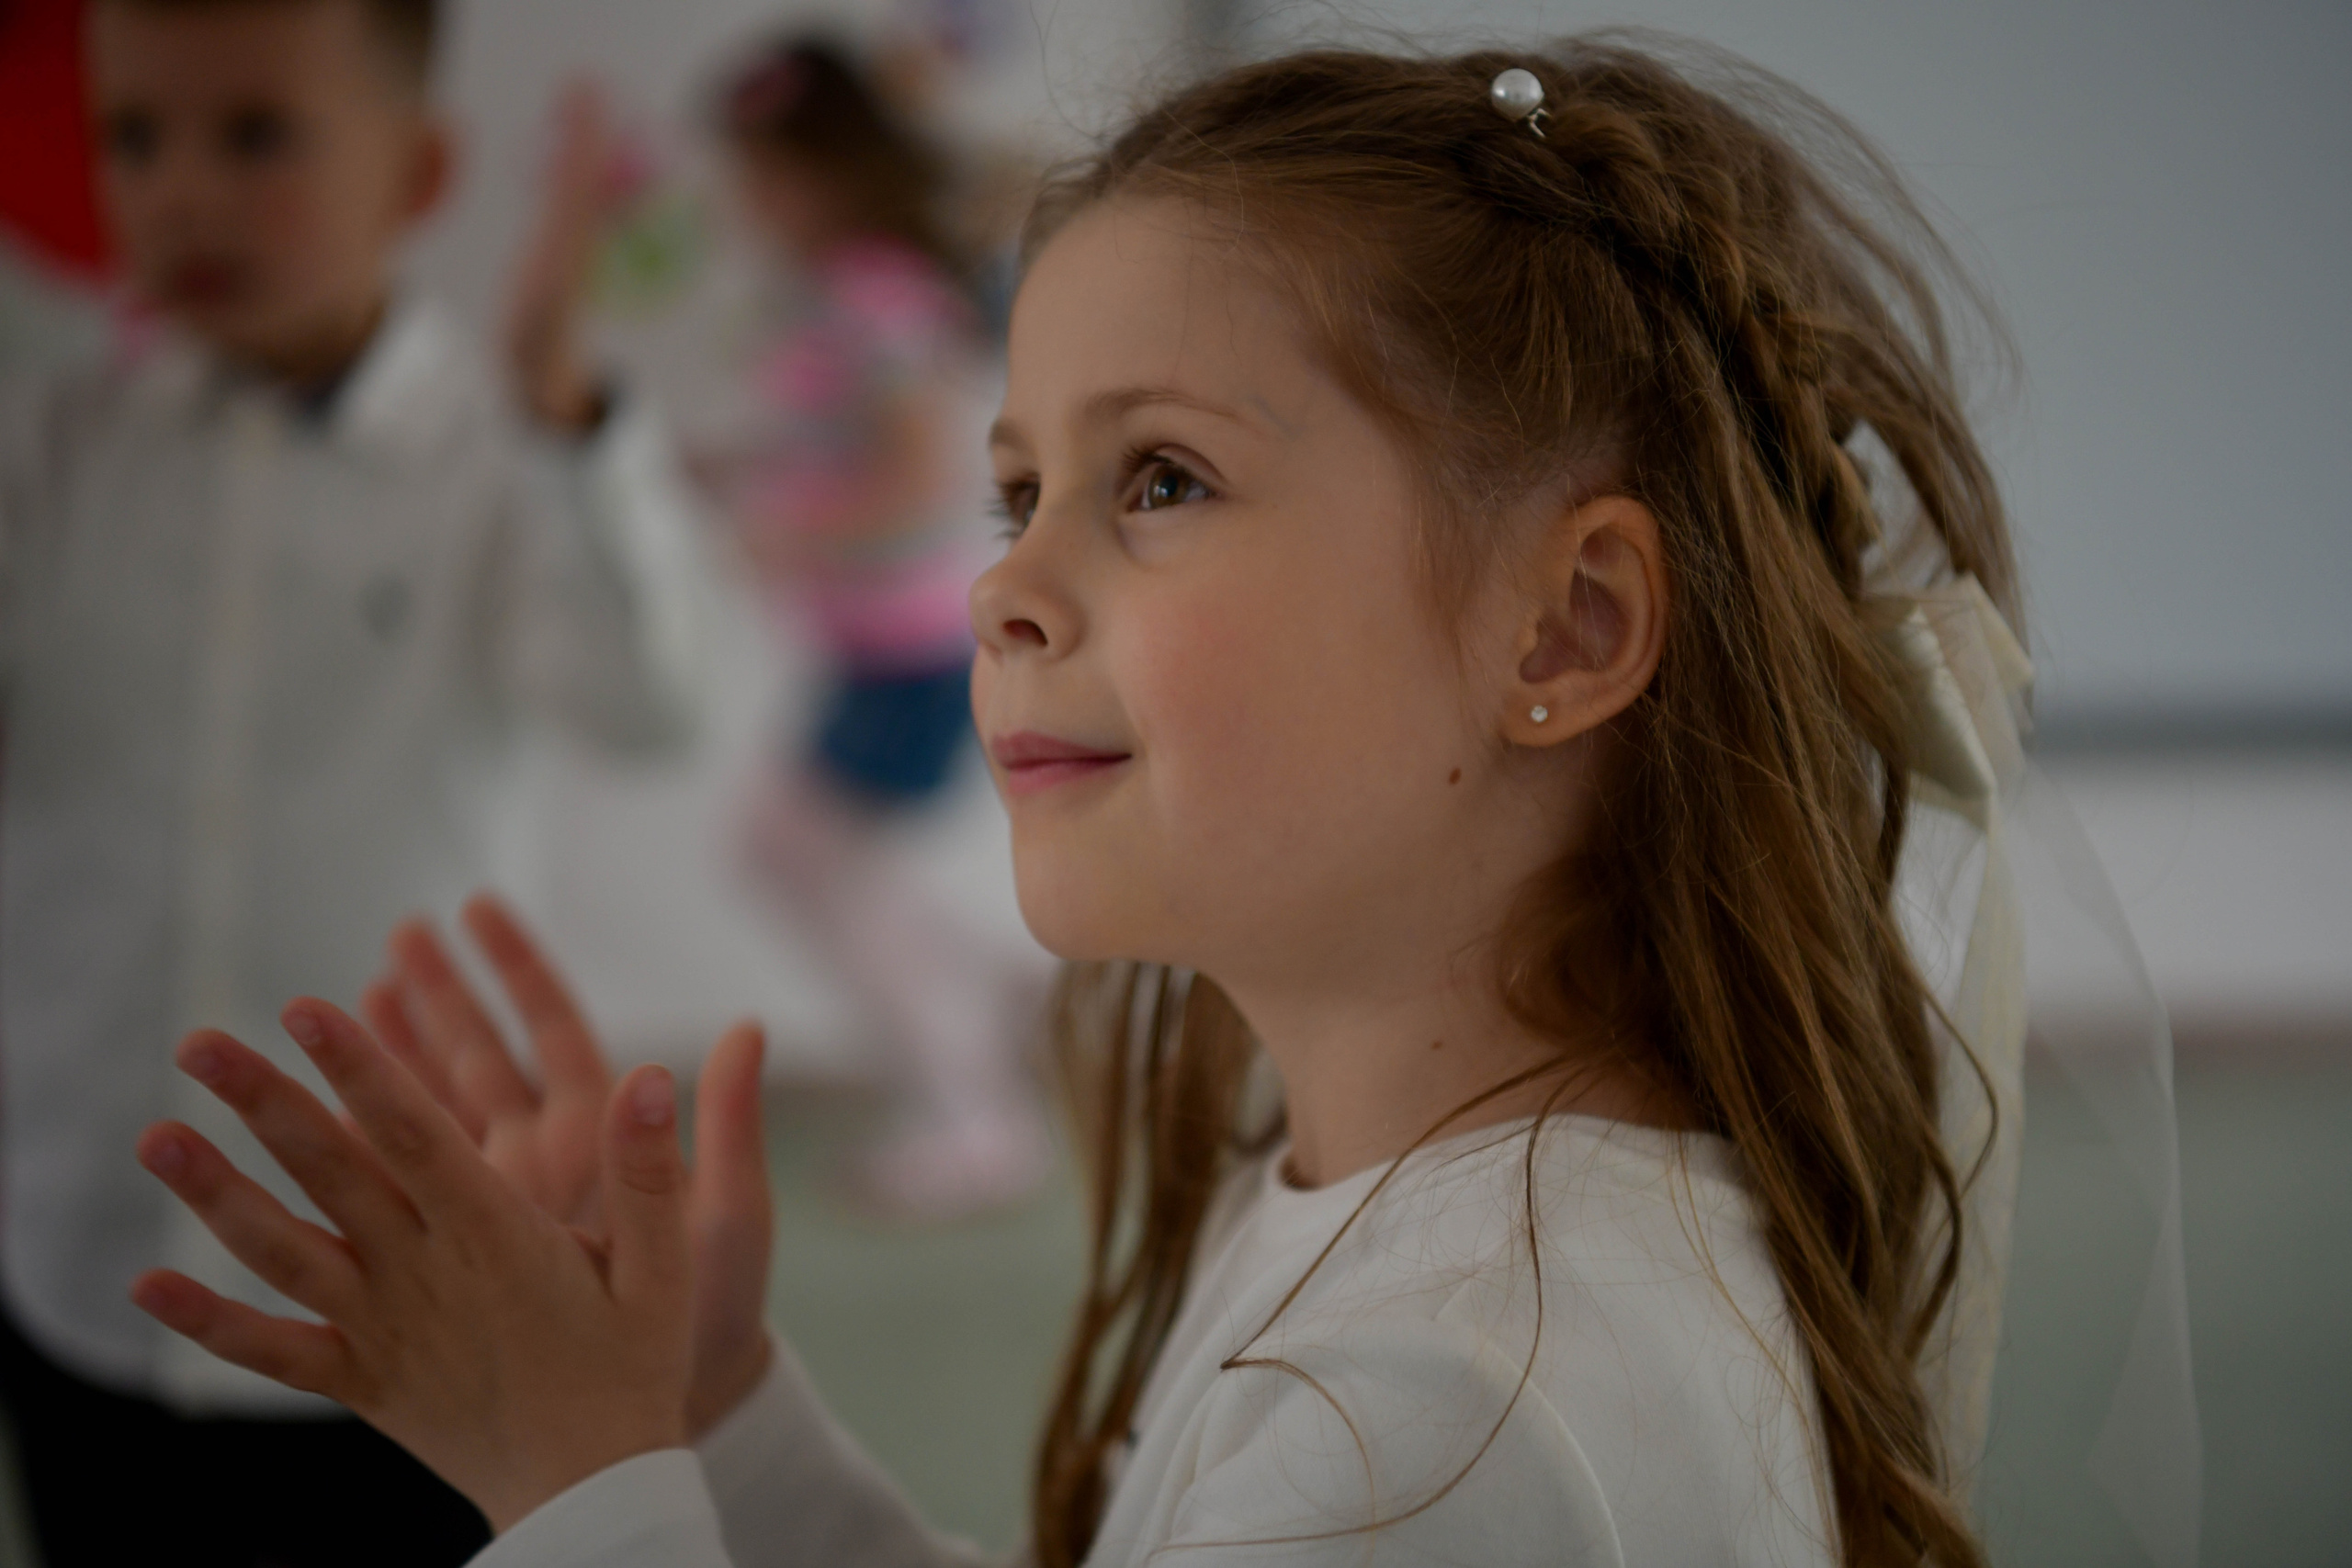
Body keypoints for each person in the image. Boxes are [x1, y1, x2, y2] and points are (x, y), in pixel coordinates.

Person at [120, 38, 2148, 1568]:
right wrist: (714, 1411)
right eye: (1018, 490)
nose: (1002, 582)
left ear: (1569, 623)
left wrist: (581, 1489)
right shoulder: (1384, 1209)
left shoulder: (1454, 1414)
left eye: (1158, 477)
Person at [0, 0, 710, 1562]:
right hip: (84, 1244)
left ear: (418, 170)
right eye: (136, 138)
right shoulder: (50, 449)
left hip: (402, 1277)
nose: (184, 192)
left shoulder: (500, 451)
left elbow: (651, 704)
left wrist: (564, 419)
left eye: (256, 134)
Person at [695, 37, 1046, 1218]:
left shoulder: (874, 295)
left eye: (763, 175)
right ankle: (995, 999)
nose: (750, 204)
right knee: (816, 860)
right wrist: (737, 472)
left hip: (914, 648)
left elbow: (915, 476)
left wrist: (781, 532)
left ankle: (977, 1114)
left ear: (827, 168)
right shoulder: (847, 292)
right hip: (883, 647)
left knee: (800, 855)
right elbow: (842, 446)